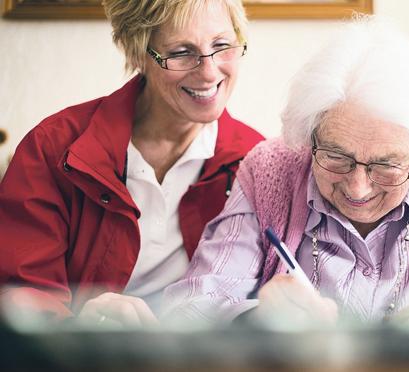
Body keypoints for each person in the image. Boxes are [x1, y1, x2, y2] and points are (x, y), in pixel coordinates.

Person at [162, 15, 409, 327]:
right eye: (336, 157)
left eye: (386, 165)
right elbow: (190, 308)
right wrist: (256, 320)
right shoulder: (272, 173)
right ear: (309, 135)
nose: (357, 185)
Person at [0, 0, 263, 327]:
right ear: (138, 53)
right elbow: (23, 298)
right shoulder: (53, 148)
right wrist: (79, 330)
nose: (209, 72)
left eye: (222, 45)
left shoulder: (258, 163)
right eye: (181, 52)